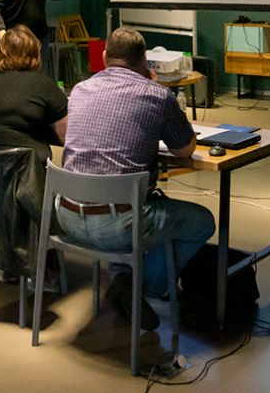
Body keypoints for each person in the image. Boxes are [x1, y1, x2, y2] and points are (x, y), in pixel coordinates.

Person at [56, 26, 215, 330]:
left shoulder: (79, 89)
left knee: (136, 204)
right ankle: (140, 288)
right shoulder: (156, 95)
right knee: (201, 221)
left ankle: (124, 281)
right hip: (118, 224)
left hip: (67, 216)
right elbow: (185, 149)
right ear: (144, 59)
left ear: (105, 56)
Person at [0, 25, 67, 162]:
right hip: (23, 168)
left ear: (0, 53)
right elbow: (65, 135)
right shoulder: (43, 84)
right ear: (35, 54)